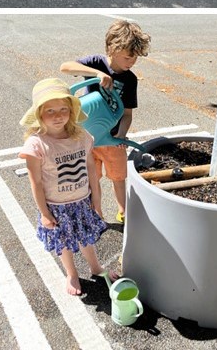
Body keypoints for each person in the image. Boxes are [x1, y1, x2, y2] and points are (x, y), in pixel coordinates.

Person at [19, 78, 118, 296]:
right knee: (64, 241)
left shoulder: (81, 136)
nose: (58, 116)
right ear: (39, 115)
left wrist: (97, 200)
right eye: (50, 111)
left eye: (63, 109)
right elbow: (35, 182)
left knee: (84, 236)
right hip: (56, 206)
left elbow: (91, 168)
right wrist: (44, 213)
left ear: (71, 112)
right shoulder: (36, 145)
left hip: (82, 200)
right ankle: (71, 273)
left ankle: (96, 267)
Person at [59, 19, 151, 224]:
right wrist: (96, 73)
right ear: (112, 48)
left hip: (112, 137)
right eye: (128, 57)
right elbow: (65, 67)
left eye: (135, 58)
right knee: (92, 179)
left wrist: (121, 135)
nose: (132, 62)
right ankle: (95, 213)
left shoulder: (130, 79)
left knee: (118, 176)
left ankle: (123, 212)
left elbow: (127, 113)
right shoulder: (95, 62)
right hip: (87, 136)